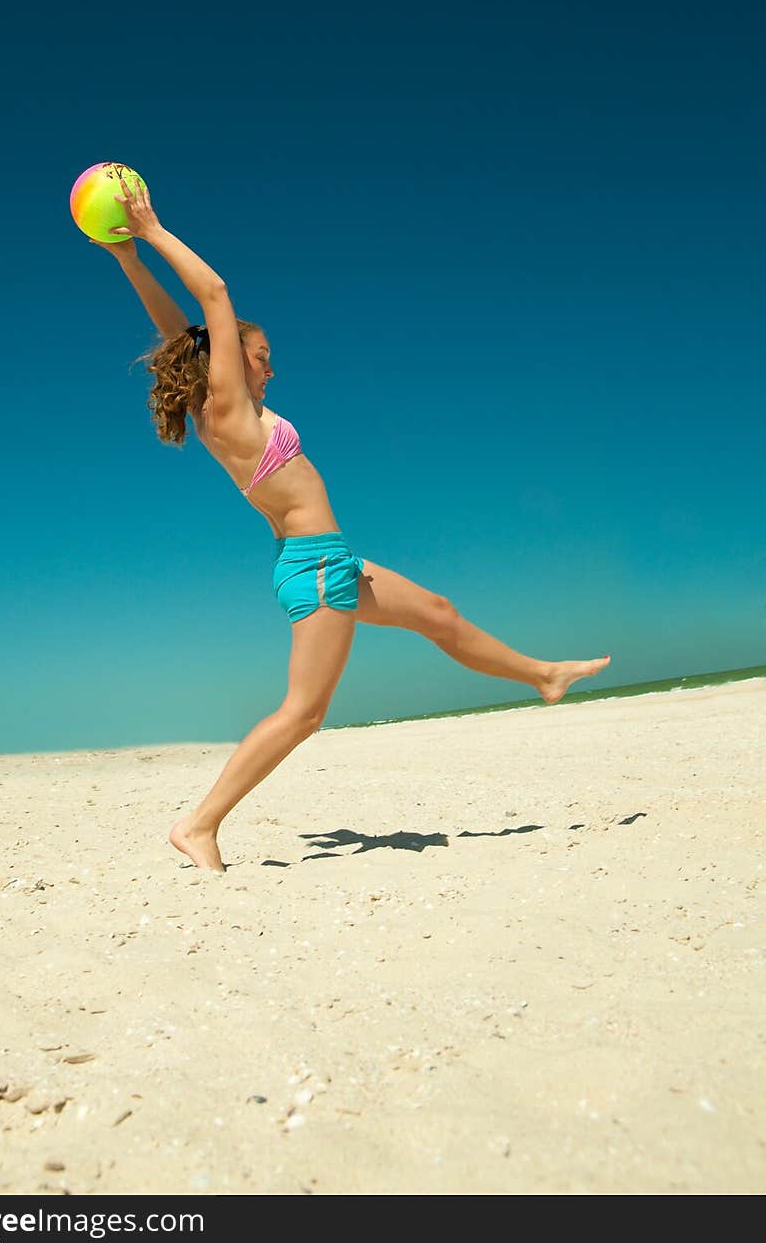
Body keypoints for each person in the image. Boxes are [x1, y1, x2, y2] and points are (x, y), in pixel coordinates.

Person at [93, 176, 610, 872]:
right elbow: (212, 296)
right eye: (262, 355)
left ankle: (542, 675)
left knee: (437, 612)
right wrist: (151, 231)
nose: (271, 368)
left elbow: (176, 330)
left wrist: (126, 259)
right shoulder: (226, 409)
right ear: (231, 359)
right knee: (304, 713)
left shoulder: (222, 405)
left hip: (330, 557)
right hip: (312, 565)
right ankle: (199, 823)